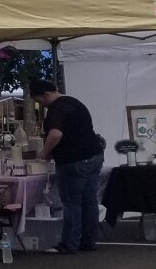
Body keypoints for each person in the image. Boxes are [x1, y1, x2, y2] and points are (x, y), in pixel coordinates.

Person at [32, 79, 105, 253]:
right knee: (89, 201)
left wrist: (44, 153)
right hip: (94, 155)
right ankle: (89, 241)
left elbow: (55, 135)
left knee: (72, 203)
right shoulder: (75, 103)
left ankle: (70, 244)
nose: (41, 105)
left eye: (39, 101)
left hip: (73, 160)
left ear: (46, 95)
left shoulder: (57, 109)